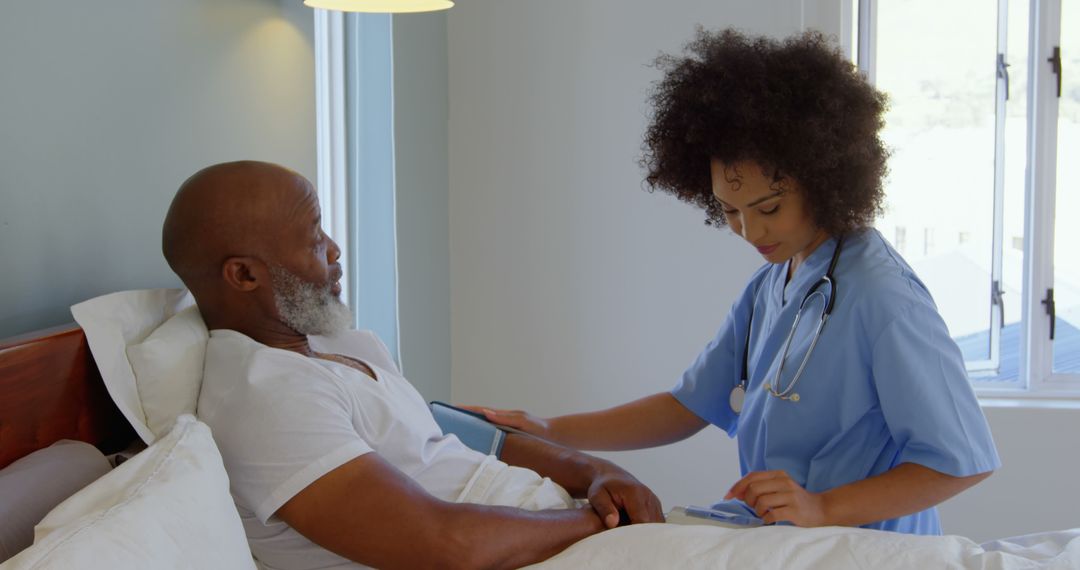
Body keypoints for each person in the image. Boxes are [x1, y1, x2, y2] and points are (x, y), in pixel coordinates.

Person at [465, 29, 1000, 535]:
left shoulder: (883, 297)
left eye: (768, 207)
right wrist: (548, 429)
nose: (750, 231)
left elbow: (961, 461)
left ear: (823, 176)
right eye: (729, 211)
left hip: (867, 549)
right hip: (783, 542)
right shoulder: (774, 283)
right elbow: (688, 406)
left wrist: (824, 507)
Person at [161, 160, 663, 570]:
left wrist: (600, 474)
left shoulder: (335, 346)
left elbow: (475, 441)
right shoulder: (265, 399)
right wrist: (602, 523)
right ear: (244, 274)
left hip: (552, 530)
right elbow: (446, 548)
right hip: (540, 548)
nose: (335, 250)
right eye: (314, 238)